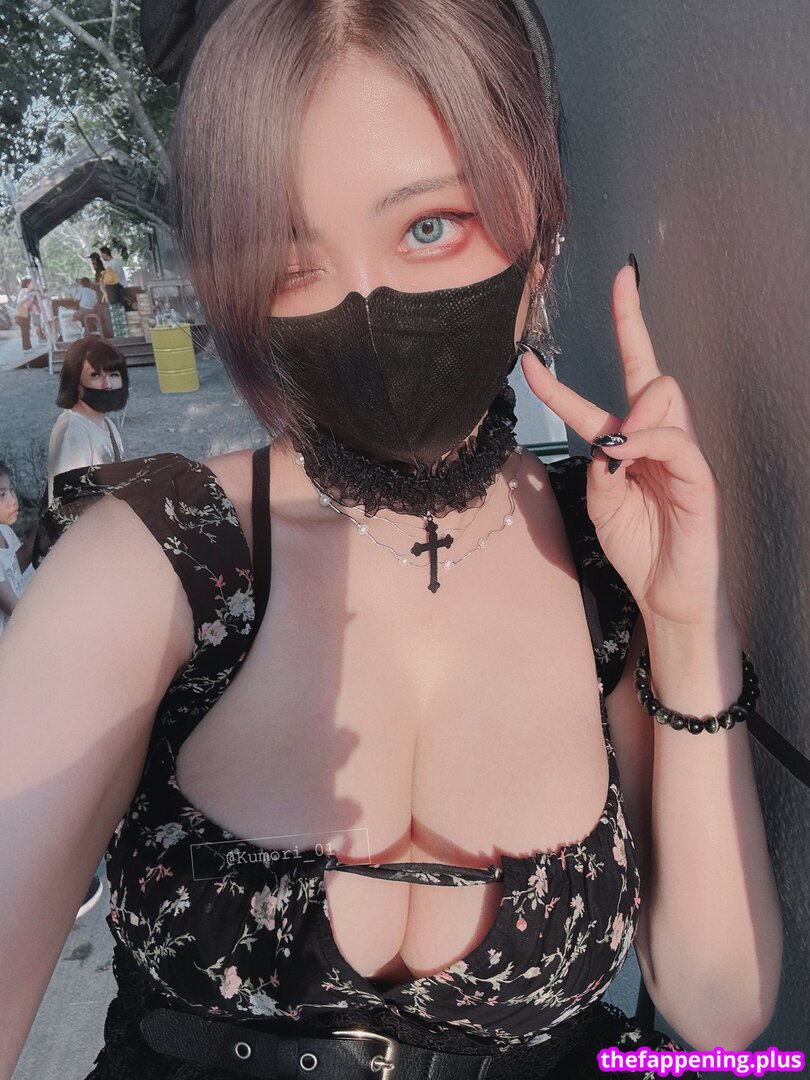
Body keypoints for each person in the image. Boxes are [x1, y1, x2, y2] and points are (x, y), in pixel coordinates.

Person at [0, 2, 782, 1078]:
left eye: (427, 227)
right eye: (291, 261)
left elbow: (720, 1012)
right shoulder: (152, 562)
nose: (365, 310)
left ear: (539, 210)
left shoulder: (609, 559)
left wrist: (687, 625)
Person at [47, 338, 128, 505]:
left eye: (113, 375)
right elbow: (69, 500)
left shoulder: (106, 423)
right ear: (76, 382)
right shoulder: (73, 430)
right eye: (95, 375)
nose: (107, 385)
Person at [0, 462, 36, 639]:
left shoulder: (4, 530)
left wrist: (43, 527)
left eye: (11, 490)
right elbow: (13, 609)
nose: (13, 500)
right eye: (1, 495)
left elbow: (14, 567)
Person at [13, 277, 36, 353]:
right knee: (24, 331)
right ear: (27, 284)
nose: (33, 285)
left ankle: (28, 347)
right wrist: (28, 296)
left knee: (27, 330)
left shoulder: (31, 292)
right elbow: (19, 302)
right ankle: (25, 348)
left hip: (26, 313)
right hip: (22, 314)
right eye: (31, 283)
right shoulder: (23, 291)